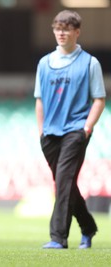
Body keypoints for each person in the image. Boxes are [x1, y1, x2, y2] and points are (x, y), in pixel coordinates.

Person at [34, 10, 106, 249]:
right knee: (67, 184)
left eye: (66, 29)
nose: (61, 33)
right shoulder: (44, 63)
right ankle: (88, 228)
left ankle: (58, 237)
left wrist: (87, 127)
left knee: (63, 181)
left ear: (77, 32)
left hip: (76, 130)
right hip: (50, 134)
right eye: (57, 28)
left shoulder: (90, 63)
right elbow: (40, 99)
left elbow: (99, 99)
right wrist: (41, 130)